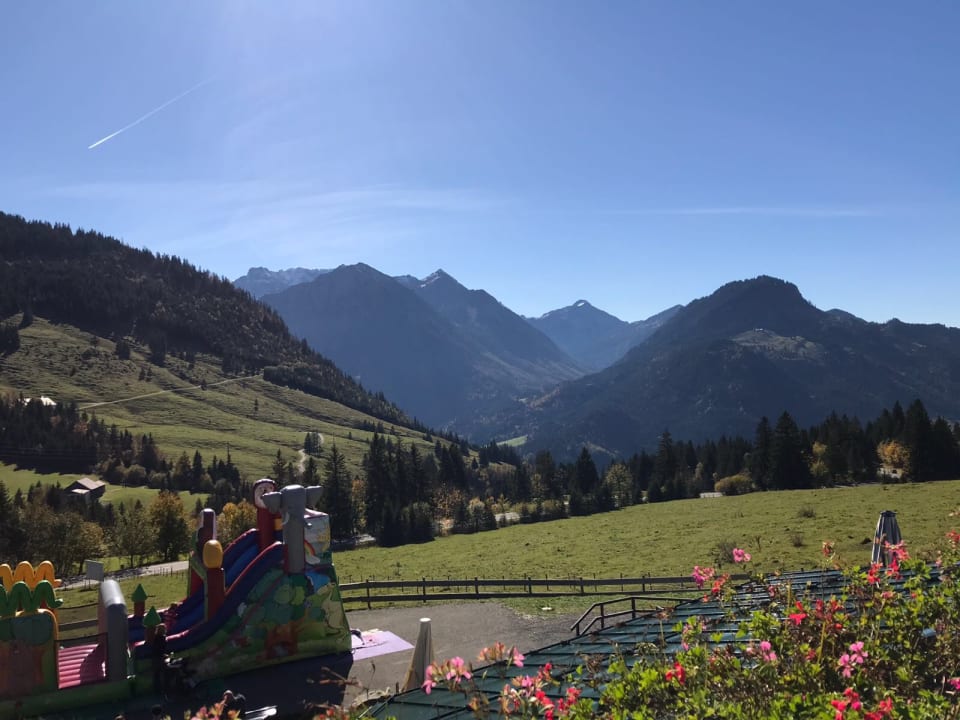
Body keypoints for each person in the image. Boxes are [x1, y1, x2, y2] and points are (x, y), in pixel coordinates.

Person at [151, 625, 168, 696]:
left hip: (155, 657)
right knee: (163, 674)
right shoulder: (162, 638)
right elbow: (162, 648)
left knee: (156, 674)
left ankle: (156, 690)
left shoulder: (155, 638)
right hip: (160, 657)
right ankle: (163, 690)